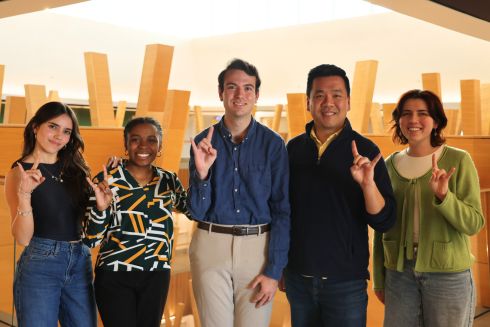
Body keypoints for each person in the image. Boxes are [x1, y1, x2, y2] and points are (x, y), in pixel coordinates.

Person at [283, 64, 396, 327]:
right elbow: (282, 211)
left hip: (346, 282)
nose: (328, 102)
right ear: (308, 101)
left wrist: (367, 184)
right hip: (298, 277)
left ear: (348, 101)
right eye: (320, 95)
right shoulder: (293, 149)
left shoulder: (367, 150)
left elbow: (385, 221)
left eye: (336, 95)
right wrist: (280, 266)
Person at [187, 58, 290, 327]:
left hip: (258, 249)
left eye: (247, 88)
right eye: (232, 87)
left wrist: (274, 269)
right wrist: (202, 175)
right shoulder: (201, 142)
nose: (240, 94)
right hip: (210, 244)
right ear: (221, 93)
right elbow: (196, 211)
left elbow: (282, 210)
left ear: (257, 95)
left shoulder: (274, 145)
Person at [372, 89, 485, 327]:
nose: (413, 120)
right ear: (399, 120)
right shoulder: (388, 165)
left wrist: (445, 197)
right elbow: (382, 226)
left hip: (448, 275)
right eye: (406, 114)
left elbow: (474, 223)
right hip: (399, 274)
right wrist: (380, 280)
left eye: (422, 113)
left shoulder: (458, 160)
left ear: (436, 121)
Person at [83, 117, 189, 327]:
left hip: (157, 274)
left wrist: (202, 175)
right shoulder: (107, 180)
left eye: (151, 140)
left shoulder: (169, 180)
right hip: (115, 274)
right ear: (126, 144)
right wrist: (100, 208)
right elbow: (91, 239)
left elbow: (193, 210)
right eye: (135, 139)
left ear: (159, 145)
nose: (143, 146)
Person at [5, 101, 97, 326]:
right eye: (53, 127)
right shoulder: (19, 173)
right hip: (40, 264)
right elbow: (23, 238)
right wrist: (25, 196)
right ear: (35, 127)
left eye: (66, 131)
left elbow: (92, 224)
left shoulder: (77, 170)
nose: (59, 136)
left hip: (81, 260)